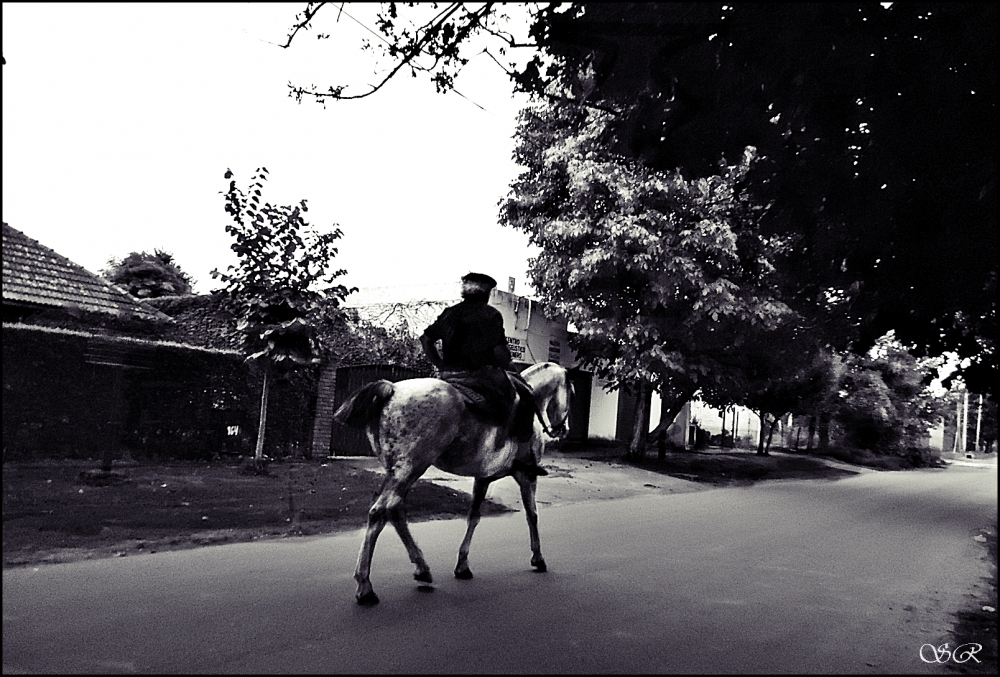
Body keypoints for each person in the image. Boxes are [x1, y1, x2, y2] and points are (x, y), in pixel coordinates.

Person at [420, 272, 547, 476]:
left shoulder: (449, 313)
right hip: (481, 376)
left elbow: (426, 340)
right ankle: (520, 457)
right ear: (487, 292)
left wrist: (441, 365)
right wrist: (512, 369)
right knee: (526, 397)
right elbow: (499, 351)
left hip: (449, 376)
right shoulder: (490, 314)